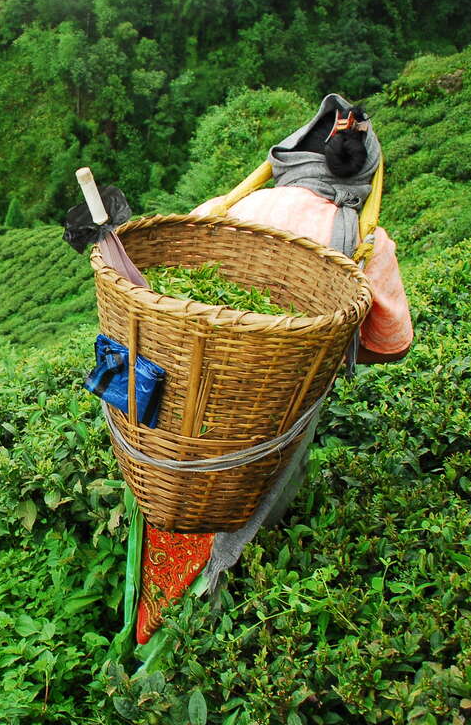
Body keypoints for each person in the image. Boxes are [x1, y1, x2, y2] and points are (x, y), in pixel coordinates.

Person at [134, 94, 413, 644]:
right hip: (278, 408)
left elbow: (164, 283)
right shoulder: (365, 243)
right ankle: (219, 610)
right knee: (256, 495)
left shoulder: (234, 210)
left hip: (187, 396)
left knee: (178, 490)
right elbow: (391, 344)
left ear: (292, 157)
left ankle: (155, 605)